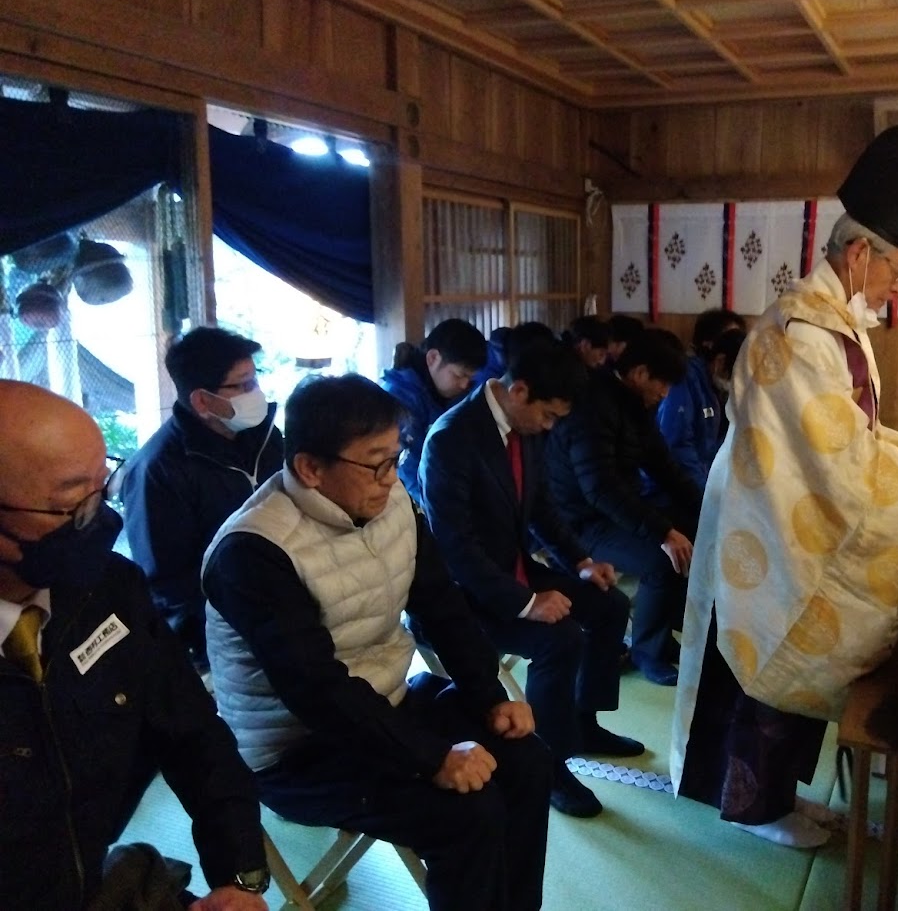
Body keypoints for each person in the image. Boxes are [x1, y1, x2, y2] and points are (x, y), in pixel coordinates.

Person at [671, 124, 898, 849]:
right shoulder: (803, 332)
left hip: (787, 508)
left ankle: (782, 797)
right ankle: (757, 807)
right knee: (777, 659)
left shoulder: (836, 322)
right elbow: (831, 458)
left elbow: (849, 428)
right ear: (860, 251)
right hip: (771, 521)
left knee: (798, 664)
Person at [202, 374, 550, 911]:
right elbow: (315, 689)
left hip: (388, 703)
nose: (391, 478)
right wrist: (432, 756)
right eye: (376, 463)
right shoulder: (253, 550)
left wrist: (490, 695)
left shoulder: (391, 501)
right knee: (468, 812)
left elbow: (440, 604)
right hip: (296, 751)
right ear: (311, 469)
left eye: (395, 457)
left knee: (526, 761)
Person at [0, 380, 269, 910]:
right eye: (70, 506)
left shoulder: (109, 589)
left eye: (103, 488)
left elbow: (192, 733)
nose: (101, 521)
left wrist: (238, 875)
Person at [420, 341, 642, 819]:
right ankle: (551, 763)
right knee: (557, 639)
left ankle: (585, 721)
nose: (552, 426)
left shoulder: (526, 427)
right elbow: (455, 550)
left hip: (514, 566)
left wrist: (581, 561)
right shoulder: (451, 439)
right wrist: (526, 603)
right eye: (549, 415)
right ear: (518, 391)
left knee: (609, 605)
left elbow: (540, 507)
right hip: (469, 594)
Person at [120, 326, 282, 676]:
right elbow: (166, 585)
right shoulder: (156, 470)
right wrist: (238, 625)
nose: (256, 393)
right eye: (242, 385)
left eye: (255, 379)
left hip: (284, 621)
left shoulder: (267, 437)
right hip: (218, 648)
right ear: (202, 401)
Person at [545, 329, 702, 686]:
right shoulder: (592, 405)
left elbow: (664, 466)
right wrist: (661, 532)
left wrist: (707, 509)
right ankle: (647, 652)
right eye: (662, 385)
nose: (664, 394)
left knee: (692, 531)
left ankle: (664, 637)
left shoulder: (634, 404)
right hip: (579, 522)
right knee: (663, 559)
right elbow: (599, 488)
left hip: (612, 510)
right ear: (641, 373)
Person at [381, 318, 488, 506]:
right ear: (432, 358)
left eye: (469, 378)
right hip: (406, 503)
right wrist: (438, 512)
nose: (464, 385)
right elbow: (406, 468)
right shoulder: (399, 397)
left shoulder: (451, 391)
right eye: (458, 375)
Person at [651, 309, 747, 494]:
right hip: (670, 491)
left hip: (700, 481)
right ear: (719, 360)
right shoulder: (685, 379)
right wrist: (707, 494)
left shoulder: (715, 386)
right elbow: (678, 446)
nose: (735, 382)